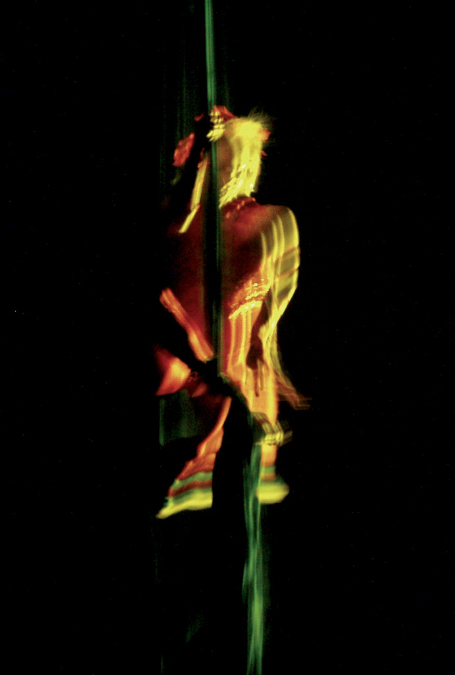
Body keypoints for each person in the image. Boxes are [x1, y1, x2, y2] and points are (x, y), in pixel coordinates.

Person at [153, 106, 304, 519]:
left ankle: (196, 459)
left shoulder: (271, 221)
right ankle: (193, 458)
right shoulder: (190, 214)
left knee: (234, 396)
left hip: (218, 359)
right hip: (189, 351)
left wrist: (262, 342)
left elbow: (275, 301)